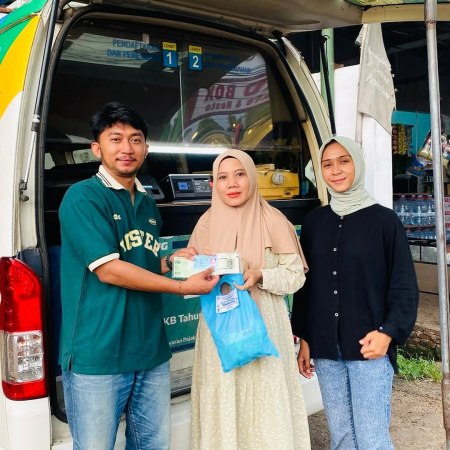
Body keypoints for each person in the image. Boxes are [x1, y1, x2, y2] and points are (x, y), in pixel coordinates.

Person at [58, 102, 219, 450]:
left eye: (135, 139)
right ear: (97, 148)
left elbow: (140, 261)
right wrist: (181, 286)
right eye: (115, 139)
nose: (127, 148)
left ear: (146, 148)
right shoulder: (83, 197)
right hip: (98, 355)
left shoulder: (146, 204)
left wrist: (171, 261)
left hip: (150, 352)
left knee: (152, 445)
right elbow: (109, 270)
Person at [291, 136, 419, 450]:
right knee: (341, 438)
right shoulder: (314, 223)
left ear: (357, 165)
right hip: (325, 347)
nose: (335, 170)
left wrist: (388, 333)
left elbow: (403, 285)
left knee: (372, 439)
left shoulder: (384, 221)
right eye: (327, 164)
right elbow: (307, 287)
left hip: (369, 346)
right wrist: (305, 338)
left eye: (344, 161)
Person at [188, 149, 311, 450]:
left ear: (253, 178)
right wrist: (191, 266)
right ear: (214, 183)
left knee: (265, 403)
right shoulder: (205, 223)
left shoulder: (274, 220)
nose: (231, 184)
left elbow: (295, 276)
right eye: (222, 177)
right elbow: (191, 280)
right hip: (220, 330)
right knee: (224, 397)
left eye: (240, 174)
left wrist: (261, 275)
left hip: (265, 326)